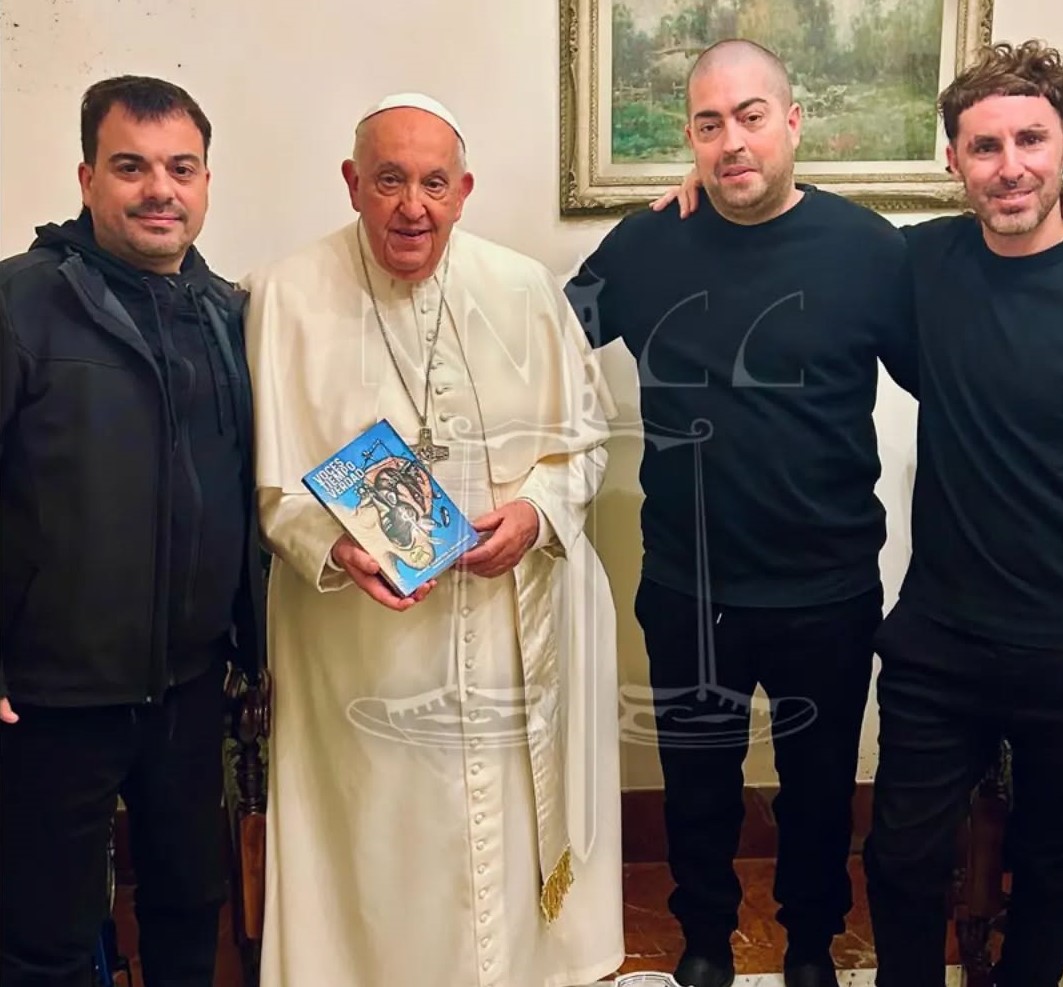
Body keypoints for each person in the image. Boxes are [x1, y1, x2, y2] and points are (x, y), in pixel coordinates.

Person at [243, 92, 624, 987]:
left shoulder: (522, 287)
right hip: (363, 643)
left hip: (506, 626)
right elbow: (268, 483)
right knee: (380, 841)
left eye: (433, 183)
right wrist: (333, 547)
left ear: (463, 191)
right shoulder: (286, 293)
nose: (412, 206)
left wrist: (533, 512)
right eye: (388, 181)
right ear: (352, 184)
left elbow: (587, 441)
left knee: (506, 840)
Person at [565, 39, 916, 987]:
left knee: (816, 792)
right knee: (698, 791)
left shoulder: (870, 251)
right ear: (689, 136)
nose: (733, 141)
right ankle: (706, 947)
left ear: (793, 122)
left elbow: (954, 382)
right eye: (711, 123)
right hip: (691, 584)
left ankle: (809, 949)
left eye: (752, 116)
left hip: (830, 583)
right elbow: (544, 340)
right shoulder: (645, 245)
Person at [859, 41, 1063, 987]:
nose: (1010, 165)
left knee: (1053, 864)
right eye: (984, 146)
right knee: (900, 857)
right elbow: (802, 246)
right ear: (953, 159)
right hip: (939, 631)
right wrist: (701, 204)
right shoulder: (917, 263)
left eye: (1031, 138)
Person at [0, 76, 264, 987]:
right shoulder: (19, 305)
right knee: (46, 934)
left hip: (191, 686)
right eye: (131, 167)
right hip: (52, 694)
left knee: (191, 907)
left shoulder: (228, 312)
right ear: (86, 178)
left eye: (180, 168)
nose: (160, 189)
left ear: (204, 180)